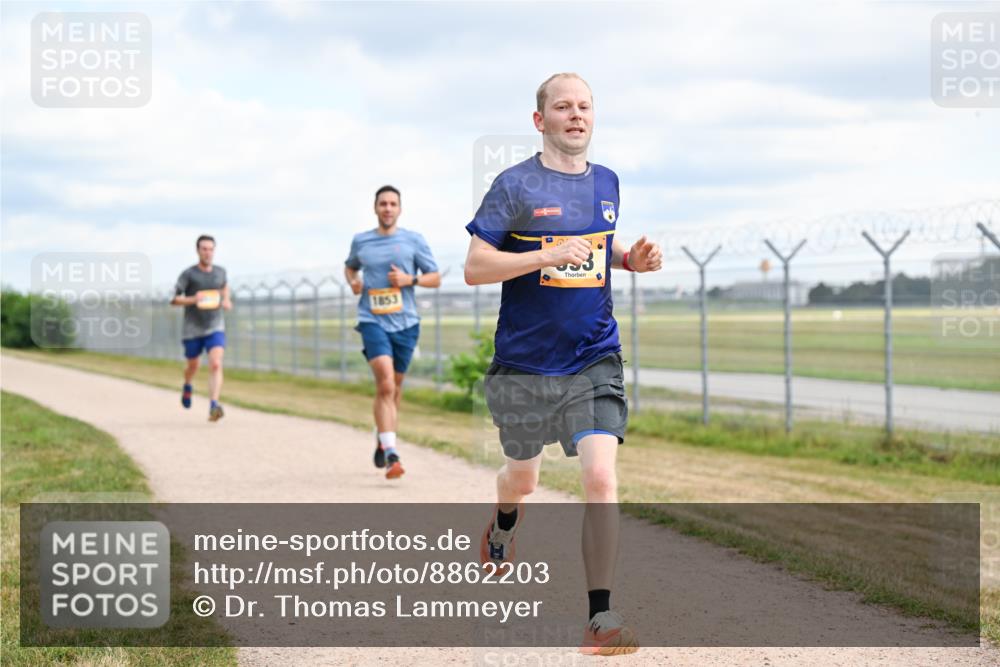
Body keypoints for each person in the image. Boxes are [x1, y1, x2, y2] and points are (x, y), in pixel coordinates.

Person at [463, 73, 662, 656]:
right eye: (563, 107)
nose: (576, 115)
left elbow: (601, 247)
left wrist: (631, 259)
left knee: (601, 478)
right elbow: (476, 267)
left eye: (585, 107)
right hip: (525, 363)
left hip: (592, 355)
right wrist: (544, 254)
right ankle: (504, 520)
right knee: (522, 479)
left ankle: (601, 619)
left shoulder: (607, 182)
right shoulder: (514, 183)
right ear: (540, 120)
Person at [345, 185, 441, 479]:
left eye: (392, 204)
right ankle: (392, 454)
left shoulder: (413, 240)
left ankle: (383, 437)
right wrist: (354, 282)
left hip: (407, 323)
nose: (387, 208)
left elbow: (434, 278)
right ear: (375, 208)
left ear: (399, 209)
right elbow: (350, 268)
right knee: (385, 384)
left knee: (395, 388)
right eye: (383, 204)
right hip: (372, 319)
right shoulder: (361, 241)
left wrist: (408, 279)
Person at [171, 234, 232, 422]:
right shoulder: (188, 274)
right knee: (193, 366)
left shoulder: (220, 272)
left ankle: (214, 405)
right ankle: (188, 384)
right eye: (204, 249)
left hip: (215, 325)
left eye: (211, 249)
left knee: (215, 363)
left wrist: (227, 299)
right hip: (193, 328)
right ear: (198, 251)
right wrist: (193, 299)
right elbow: (174, 299)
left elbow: (224, 287)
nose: (208, 252)